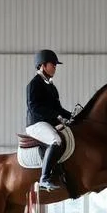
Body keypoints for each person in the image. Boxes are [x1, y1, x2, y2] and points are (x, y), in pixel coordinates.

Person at [25, 49, 69, 191]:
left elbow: (59, 109)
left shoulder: (51, 87)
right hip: (36, 123)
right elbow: (34, 107)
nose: (55, 67)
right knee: (56, 140)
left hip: (48, 122)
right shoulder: (34, 84)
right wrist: (55, 116)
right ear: (43, 65)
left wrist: (72, 116)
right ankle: (44, 178)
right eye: (53, 64)